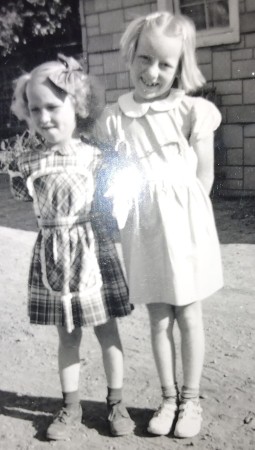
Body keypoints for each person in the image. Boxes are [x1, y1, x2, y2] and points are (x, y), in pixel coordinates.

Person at [94, 11, 223, 439]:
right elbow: (115, 175)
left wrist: (190, 224)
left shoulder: (191, 111)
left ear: (179, 67)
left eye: (164, 64)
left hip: (184, 227)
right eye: (144, 58)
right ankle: (167, 398)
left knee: (188, 312)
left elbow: (203, 178)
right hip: (144, 227)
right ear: (131, 55)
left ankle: (191, 399)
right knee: (158, 317)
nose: (152, 72)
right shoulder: (116, 118)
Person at [9, 54, 134, 441]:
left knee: (107, 331)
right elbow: (25, 195)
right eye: (35, 109)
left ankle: (117, 402)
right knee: (67, 337)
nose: (44, 117)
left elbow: (121, 193)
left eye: (53, 106)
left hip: (92, 251)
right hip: (53, 256)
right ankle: (71, 406)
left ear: (76, 105)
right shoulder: (27, 162)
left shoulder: (98, 157)